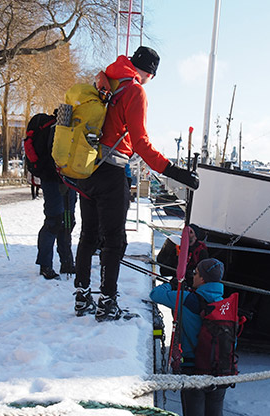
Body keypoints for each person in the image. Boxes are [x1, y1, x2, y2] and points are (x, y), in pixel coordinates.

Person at [73, 46, 200, 321]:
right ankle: (107, 303)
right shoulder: (134, 90)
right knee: (114, 241)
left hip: (87, 167)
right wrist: (173, 171)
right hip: (111, 171)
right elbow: (140, 142)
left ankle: (82, 297)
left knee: (88, 235)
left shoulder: (107, 77)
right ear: (150, 72)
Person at [150, 258, 228, 416]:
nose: (193, 276)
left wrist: (175, 283)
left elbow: (156, 293)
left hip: (193, 372)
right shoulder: (225, 302)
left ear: (201, 278)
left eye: (195, 273)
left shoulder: (188, 299)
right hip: (220, 373)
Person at [25, 112, 77, 280]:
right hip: (54, 178)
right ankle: (46, 265)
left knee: (66, 220)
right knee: (55, 221)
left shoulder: (66, 127)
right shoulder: (55, 128)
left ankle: (66, 261)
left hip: (66, 178)